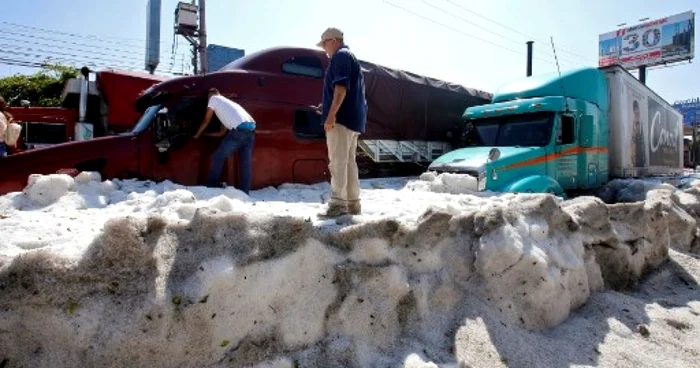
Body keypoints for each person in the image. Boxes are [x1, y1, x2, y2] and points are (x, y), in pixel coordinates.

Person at [315, 27, 368, 217]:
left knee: (337, 162)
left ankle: (337, 206)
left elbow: (341, 87)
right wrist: (327, 106)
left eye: (324, 45)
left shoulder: (341, 56)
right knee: (349, 164)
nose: (324, 49)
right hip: (352, 120)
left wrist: (330, 115)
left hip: (342, 120)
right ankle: (353, 205)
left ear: (333, 41)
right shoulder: (350, 57)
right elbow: (346, 90)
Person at [194, 88, 256, 194]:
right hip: (251, 130)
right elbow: (222, 133)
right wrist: (207, 134)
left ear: (212, 95)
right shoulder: (228, 106)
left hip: (238, 131)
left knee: (218, 157)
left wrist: (197, 135)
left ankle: (211, 186)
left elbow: (206, 120)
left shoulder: (214, 98)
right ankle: (245, 192)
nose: (208, 101)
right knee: (245, 164)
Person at [632, 100, 646, 168]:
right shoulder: (634, 124)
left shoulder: (641, 123)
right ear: (634, 111)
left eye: (638, 110)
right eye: (635, 110)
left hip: (641, 156)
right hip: (637, 156)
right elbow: (633, 141)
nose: (637, 112)